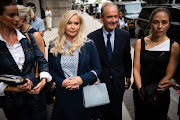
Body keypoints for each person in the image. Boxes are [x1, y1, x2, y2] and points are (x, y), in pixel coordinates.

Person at [0, 0, 52, 119]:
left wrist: (43, 81)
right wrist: (13, 88)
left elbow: (42, 61)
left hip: (37, 101)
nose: (17, 19)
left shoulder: (27, 38)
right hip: (13, 106)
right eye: (12, 15)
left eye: (18, 14)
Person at [48, 10, 101, 120]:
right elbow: (51, 70)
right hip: (62, 96)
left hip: (83, 95)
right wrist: (61, 82)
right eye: (69, 23)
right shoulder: (54, 44)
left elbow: (97, 69)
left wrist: (81, 79)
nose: (73, 27)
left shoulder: (88, 44)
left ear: (80, 25)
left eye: (76, 23)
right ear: (63, 24)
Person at [132, 7, 179, 120]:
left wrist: (154, 92)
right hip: (140, 91)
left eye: (164, 22)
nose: (159, 26)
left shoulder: (174, 46)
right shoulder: (140, 43)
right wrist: (141, 91)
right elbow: (136, 70)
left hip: (160, 94)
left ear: (169, 24)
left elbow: (169, 75)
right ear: (150, 23)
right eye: (156, 22)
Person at [88, 2, 132, 120]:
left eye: (116, 16)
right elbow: (90, 63)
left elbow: (127, 57)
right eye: (109, 17)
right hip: (100, 84)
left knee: (117, 113)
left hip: (118, 81)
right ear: (101, 17)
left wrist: (128, 75)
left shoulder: (125, 35)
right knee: (102, 115)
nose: (113, 20)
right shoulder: (91, 38)